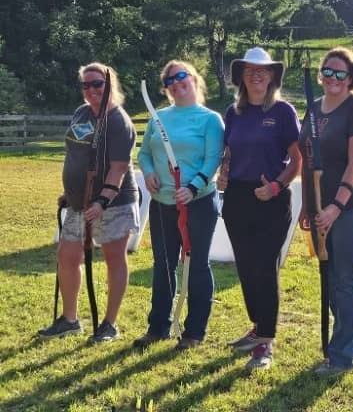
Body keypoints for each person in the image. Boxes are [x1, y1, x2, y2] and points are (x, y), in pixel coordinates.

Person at [38, 62, 139, 342]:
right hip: (78, 203)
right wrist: (71, 193)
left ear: (110, 85)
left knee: (113, 258)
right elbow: (75, 156)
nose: (92, 90)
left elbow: (118, 168)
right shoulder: (81, 113)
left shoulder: (119, 122)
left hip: (114, 202)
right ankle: (70, 320)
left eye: (98, 84)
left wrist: (102, 201)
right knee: (67, 257)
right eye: (86, 85)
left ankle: (109, 324)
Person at [217, 47, 301, 370]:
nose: (256, 75)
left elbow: (297, 160)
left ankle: (265, 342)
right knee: (246, 267)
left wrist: (276, 186)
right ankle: (257, 326)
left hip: (272, 196)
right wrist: (224, 172)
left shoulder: (282, 111)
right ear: (242, 76)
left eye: (263, 70)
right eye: (250, 70)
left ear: (272, 76)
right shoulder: (232, 112)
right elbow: (229, 151)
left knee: (265, 268)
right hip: (238, 197)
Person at [299, 46, 353, 375]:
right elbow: (307, 160)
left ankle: (343, 356)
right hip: (321, 207)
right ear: (321, 75)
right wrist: (308, 204)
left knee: (346, 278)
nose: (332, 78)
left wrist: (336, 206)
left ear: (351, 78)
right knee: (331, 278)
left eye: (339, 73)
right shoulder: (314, 109)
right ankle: (338, 346)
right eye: (327, 72)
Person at [134, 60, 224, 350]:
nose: (176, 82)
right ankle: (158, 327)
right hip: (162, 204)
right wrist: (148, 173)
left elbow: (213, 159)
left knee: (196, 265)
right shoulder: (157, 118)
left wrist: (193, 186)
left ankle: (194, 332)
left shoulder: (210, 119)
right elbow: (145, 153)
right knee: (163, 265)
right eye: (170, 80)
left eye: (181, 76)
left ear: (194, 79)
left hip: (197, 203)